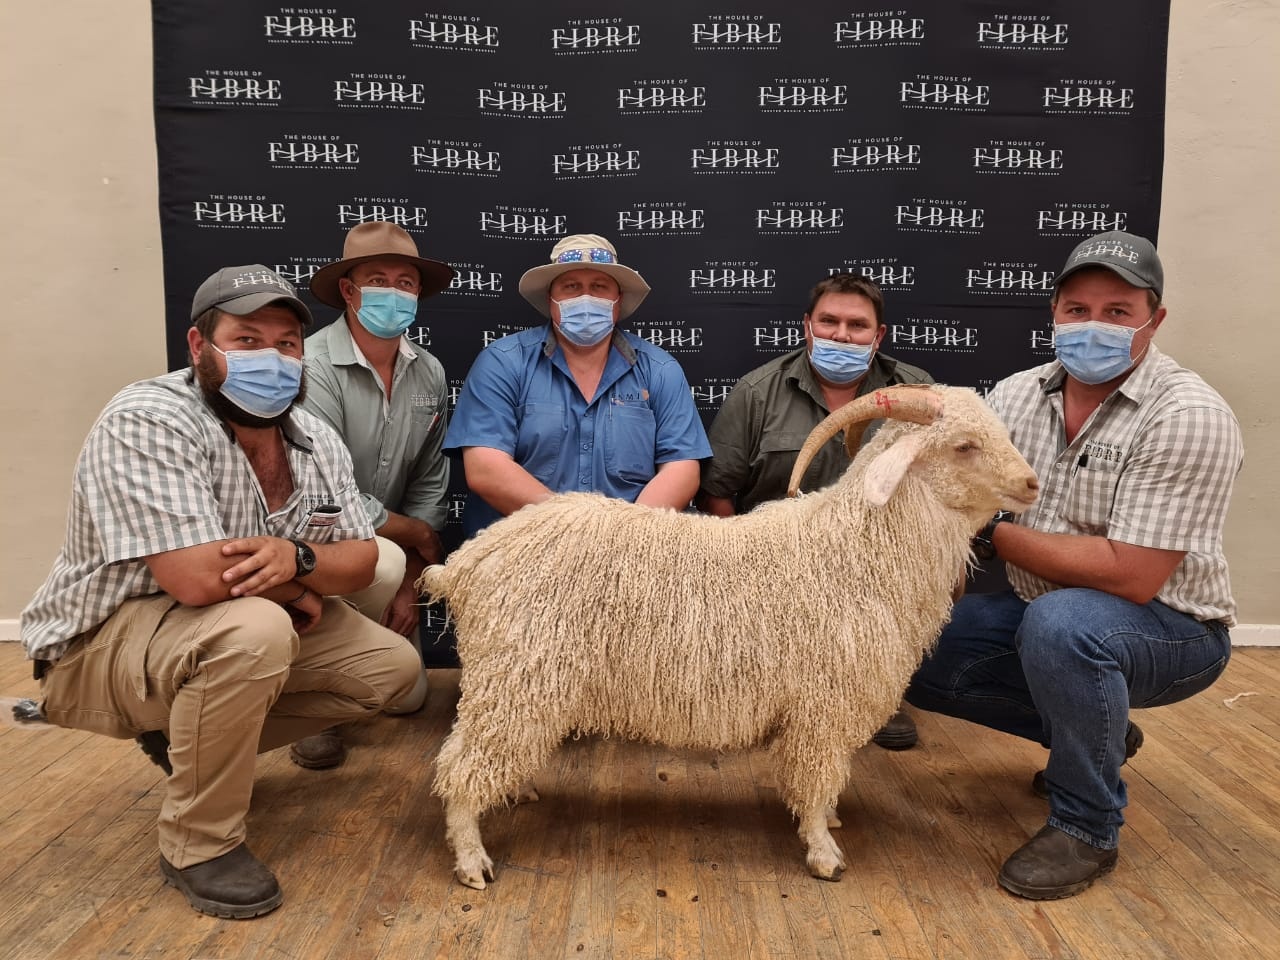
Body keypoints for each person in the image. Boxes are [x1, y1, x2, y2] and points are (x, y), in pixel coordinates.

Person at [19, 265, 421, 919]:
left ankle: (189, 733)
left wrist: (294, 558)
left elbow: (361, 560)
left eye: (287, 343)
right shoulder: (148, 417)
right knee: (255, 629)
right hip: (103, 638)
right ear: (200, 347)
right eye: (247, 339)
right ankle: (197, 846)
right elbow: (197, 577)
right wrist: (298, 585)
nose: (272, 358)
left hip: (218, 622)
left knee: (391, 670)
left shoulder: (314, 438)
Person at [905, 231, 1243, 899]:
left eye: (1117, 312)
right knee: (917, 646)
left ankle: (1086, 825)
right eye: (1078, 309)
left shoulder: (1189, 415)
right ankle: (1097, 732)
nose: (1094, 326)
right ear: (1054, 312)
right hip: (1046, 607)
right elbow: (959, 513)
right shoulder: (1013, 396)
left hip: (1171, 625)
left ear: (1155, 319)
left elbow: (1131, 574)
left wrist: (996, 534)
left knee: (1066, 626)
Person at [698, 273, 933, 750]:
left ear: (878, 335)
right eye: (828, 321)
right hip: (774, 571)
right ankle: (764, 697)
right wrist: (737, 568)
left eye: (857, 325)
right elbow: (717, 491)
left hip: (876, 577)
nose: (841, 336)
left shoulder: (918, 394)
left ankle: (878, 694)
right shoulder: (757, 391)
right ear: (807, 326)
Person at [292, 222, 455, 769]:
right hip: (319, 545)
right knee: (374, 562)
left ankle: (357, 654)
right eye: (378, 279)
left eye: (405, 282)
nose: (395, 291)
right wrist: (414, 535)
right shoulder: (312, 367)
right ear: (348, 289)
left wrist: (412, 576)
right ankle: (310, 701)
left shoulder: (428, 370)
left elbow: (431, 478)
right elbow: (327, 493)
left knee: (408, 700)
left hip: (389, 555)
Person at [444, 233, 711, 534]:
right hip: (518, 548)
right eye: (571, 287)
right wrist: (575, 533)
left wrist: (626, 537)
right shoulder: (502, 362)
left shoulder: (661, 369)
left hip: (631, 547)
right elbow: (485, 468)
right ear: (551, 298)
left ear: (618, 300)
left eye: (599, 287)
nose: (586, 298)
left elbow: (682, 470)